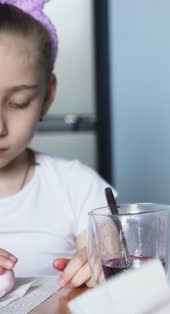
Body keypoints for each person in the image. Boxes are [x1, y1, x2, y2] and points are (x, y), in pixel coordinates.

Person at [0, 0, 112, 288]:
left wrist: (98, 261)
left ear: (47, 97)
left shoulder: (76, 187)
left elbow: (113, 253)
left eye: (18, 103)